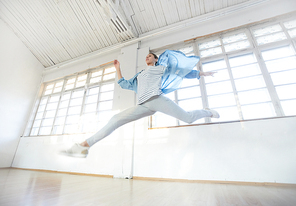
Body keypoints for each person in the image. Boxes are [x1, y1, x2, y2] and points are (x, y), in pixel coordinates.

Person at [62, 50, 219, 158]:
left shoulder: (160, 69)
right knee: (115, 119)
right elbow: (123, 84)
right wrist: (118, 68)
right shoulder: (140, 75)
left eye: (150, 56)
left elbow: (179, 72)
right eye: (147, 56)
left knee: (188, 118)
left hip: (157, 100)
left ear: (156, 59)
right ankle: (84, 146)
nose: (147, 57)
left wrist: (200, 73)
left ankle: (207, 112)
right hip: (143, 105)